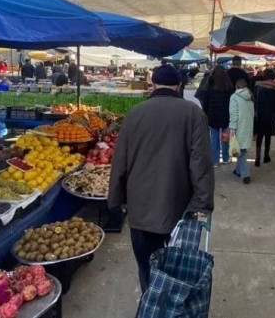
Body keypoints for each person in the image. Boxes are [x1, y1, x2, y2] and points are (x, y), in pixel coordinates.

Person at [108, 64, 214, 294]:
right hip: (179, 206)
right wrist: (203, 205)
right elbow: (202, 164)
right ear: (178, 86)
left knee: (147, 268)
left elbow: (120, 163)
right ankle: (172, 307)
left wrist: (115, 200)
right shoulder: (193, 113)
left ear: (153, 84)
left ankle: (152, 304)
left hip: (140, 207)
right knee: (176, 269)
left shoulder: (135, 114)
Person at [202, 65, 234, 167]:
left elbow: (205, 102)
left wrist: (205, 113)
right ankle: (225, 158)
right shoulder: (229, 86)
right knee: (225, 138)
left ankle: (215, 161)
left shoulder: (209, 85)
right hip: (226, 115)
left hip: (213, 115)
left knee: (214, 138)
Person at [253, 69, 275, 167]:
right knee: (268, 136)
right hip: (270, 115)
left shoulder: (257, 86)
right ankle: (266, 156)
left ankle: (257, 158)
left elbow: (254, 100)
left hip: (260, 114)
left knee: (259, 136)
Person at [229, 78, 254, 184]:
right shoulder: (250, 96)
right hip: (248, 126)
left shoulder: (234, 97)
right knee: (242, 150)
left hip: (239, 127)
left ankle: (246, 174)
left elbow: (234, 114)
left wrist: (232, 128)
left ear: (236, 86)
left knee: (241, 152)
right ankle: (238, 170)